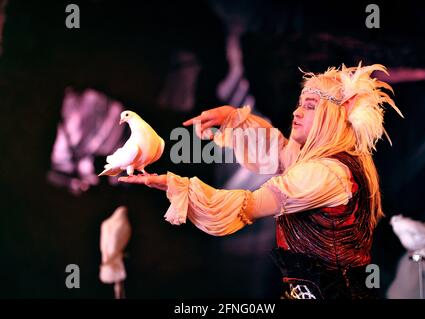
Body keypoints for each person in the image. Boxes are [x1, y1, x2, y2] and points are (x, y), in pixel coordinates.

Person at [119, 63, 404, 299]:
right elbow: (280, 153)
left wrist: (176, 186)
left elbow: (248, 206)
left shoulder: (326, 174)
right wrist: (233, 118)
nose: (296, 112)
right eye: (300, 104)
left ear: (334, 115)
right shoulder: (326, 165)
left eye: (310, 106)